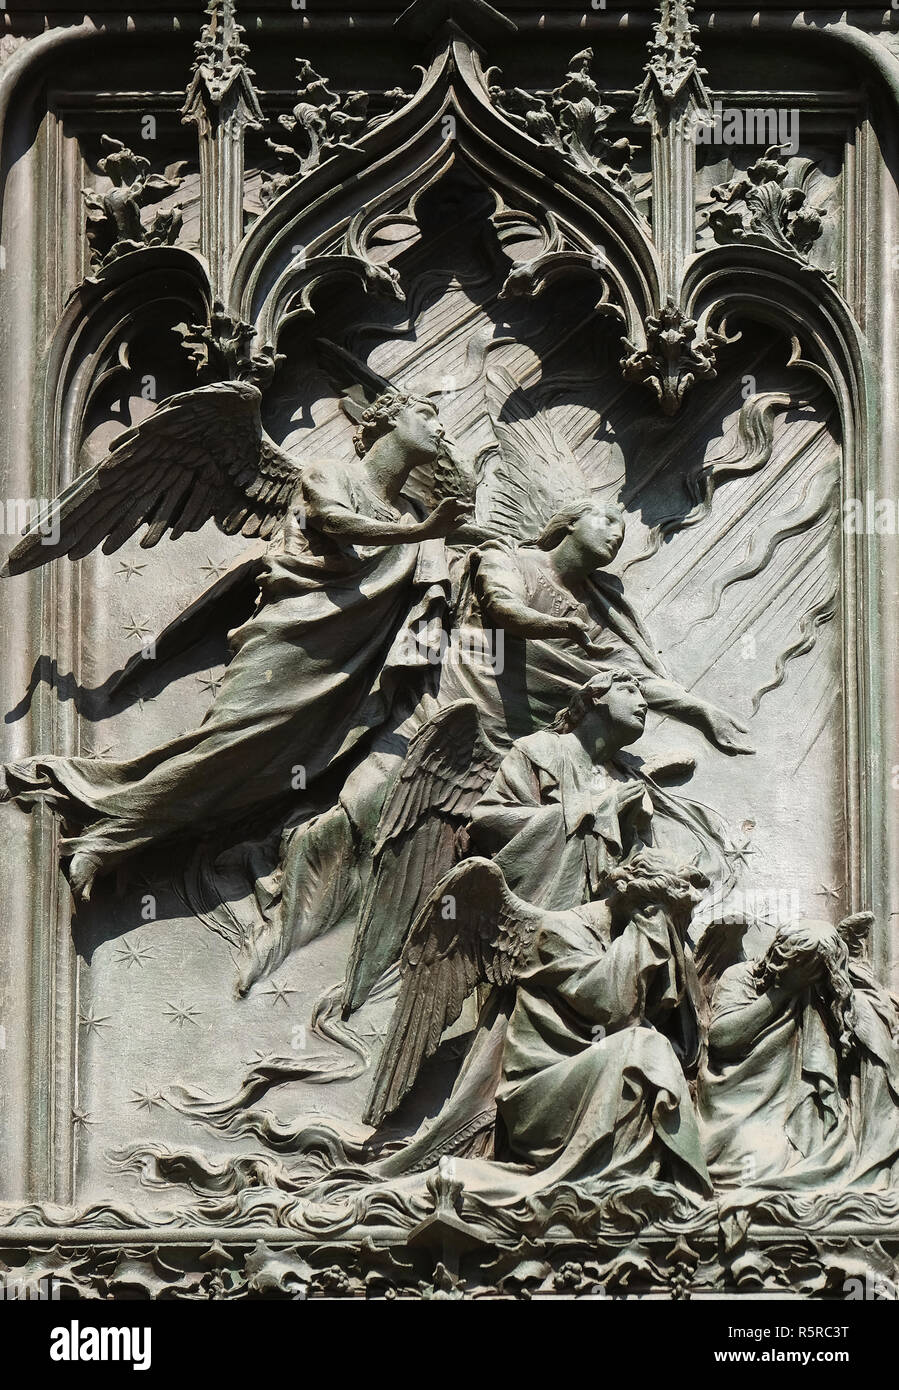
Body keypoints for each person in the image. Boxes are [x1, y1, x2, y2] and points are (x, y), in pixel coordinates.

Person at [1, 391, 470, 902]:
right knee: (227, 745)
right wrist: (419, 532)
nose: (440, 428)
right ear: (387, 420)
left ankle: (120, 835)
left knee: (269, 775)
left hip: (349, 670)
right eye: (426, 414)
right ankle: (102, 822)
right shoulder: (332, 475)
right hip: (289, 641)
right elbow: (334, 522)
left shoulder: (417, 514)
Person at [699, 915, 899, 1189]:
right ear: (781, 956)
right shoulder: (742, 977)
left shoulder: (824, 991)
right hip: (742, 1100)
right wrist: (783, 991)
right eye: (803, 965)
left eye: (818, 968)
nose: (811, 974)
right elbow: (722, 1039)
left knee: (814, 1160)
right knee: (757, 1167)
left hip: (807, 1104)